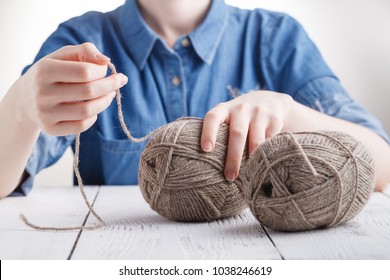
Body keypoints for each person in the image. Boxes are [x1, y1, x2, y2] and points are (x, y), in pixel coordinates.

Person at [0, 0, 389, 198]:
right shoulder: (83, 45)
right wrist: (20, 107)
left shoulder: (276, 39)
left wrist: (288, 112)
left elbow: (382, 164)